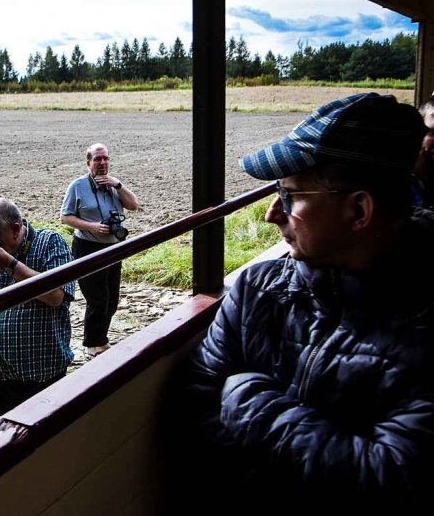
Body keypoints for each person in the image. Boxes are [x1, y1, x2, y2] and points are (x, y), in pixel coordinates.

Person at [179, 93, 434, 503]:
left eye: (290, 196)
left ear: (359, 212)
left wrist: (249, 402)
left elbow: (392, 479)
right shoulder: (256, 290)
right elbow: (194, 415)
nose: (271, 214)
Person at [0, 197, 75, 418]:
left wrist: (9, 263)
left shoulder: (48, 242)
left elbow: (57, 296)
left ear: (15, 230)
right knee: (5, 446)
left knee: (46, 446)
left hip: (39, 379)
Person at [60, 143, 139, 357]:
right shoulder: (77, 186)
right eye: (97, 159)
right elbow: (65, 217)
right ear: (88, 163)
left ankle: (100, 338)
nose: (102, 163)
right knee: (98, 298)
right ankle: (94, 345)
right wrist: (92, 226)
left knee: (112, 298)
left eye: (105, 159)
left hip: (114, 247)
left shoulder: (114, 185)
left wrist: (119, 185)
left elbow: (133, 205)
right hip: (87, 247)